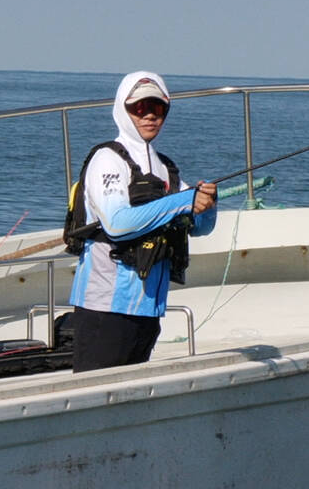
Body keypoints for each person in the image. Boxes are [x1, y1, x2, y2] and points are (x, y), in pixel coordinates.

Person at [64, 71, 218, 372]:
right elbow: (118, 224)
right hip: (105, 310)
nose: (149, 115)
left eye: (158, 108)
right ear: (123, 108)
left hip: (148, 311)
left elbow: (201, 228)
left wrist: (208, 203)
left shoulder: (166, 169)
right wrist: (184, 200)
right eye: (139, 108)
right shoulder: (107, 160)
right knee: (97, 398)